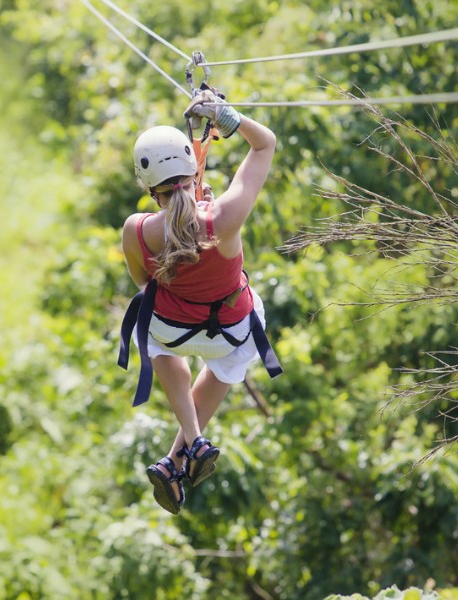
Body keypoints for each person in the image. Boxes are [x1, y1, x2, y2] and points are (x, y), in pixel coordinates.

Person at [119, 90, 282, 514]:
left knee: (149, 325)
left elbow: (144, 281)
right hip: (231, 330)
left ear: (149, 187)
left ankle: (189, 446)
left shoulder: (135, 230)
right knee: (229, 359)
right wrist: (229, 118)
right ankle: (183, 452)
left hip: (173, 330)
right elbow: (266, 143)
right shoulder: (224, 218)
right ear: (193, 170)